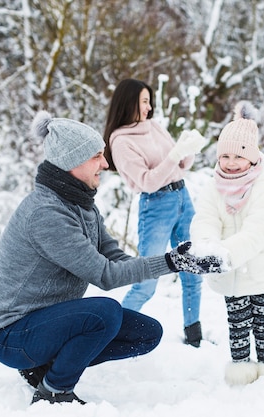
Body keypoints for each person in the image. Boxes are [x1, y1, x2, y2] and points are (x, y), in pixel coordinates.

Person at [0, 111, 223, 405]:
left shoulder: (82, 206)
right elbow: (105, 275)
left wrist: (178, 259)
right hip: (12, 335)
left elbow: (115, 258)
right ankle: (54, 389)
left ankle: (43, 368)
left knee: (147, 333)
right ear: (71, 162)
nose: (106, 164)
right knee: (103, 313)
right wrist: (170, 262)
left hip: (45, 323)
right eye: (97, 156)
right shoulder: (46, 214)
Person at [103, 79, 207, 347]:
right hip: (156, 205)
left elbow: (181, 164)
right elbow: (147, 181)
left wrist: (189, 147)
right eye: (144, 101)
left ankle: (194, 336)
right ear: (129, 103)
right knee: (147, 279)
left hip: (182, 197)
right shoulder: (121, 141)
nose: (149, 108)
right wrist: (174, 155)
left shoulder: (155, 127)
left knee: (193, 270)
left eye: (150, 101)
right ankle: (114, 334)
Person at [189, 101, 264, 385]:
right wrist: (208, 247)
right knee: (238, 322)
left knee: (262, 321)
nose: (230, 163)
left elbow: (258, 230)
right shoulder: (214, 186)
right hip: (229, 273)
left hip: (259, 267)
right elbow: (205, 218)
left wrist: (227, 253)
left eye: (238, 156)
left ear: (252, 158)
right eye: (224, 156)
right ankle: (241, 368)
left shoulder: (263, 187)